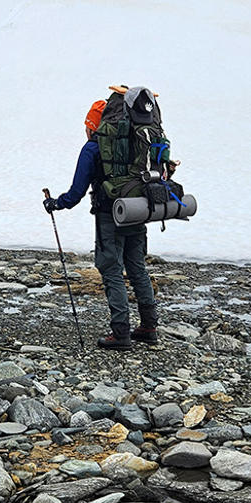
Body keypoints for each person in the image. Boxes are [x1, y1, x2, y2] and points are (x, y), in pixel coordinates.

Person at [43, 99, 159, 350]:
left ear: (93, 125)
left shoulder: (93, 148)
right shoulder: (134, 141)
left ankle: (121, 333)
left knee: (111, 269)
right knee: (137, 266)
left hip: (110, 215)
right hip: (137, 209)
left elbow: (76, 194)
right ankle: (149, 327)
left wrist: (55, 204)